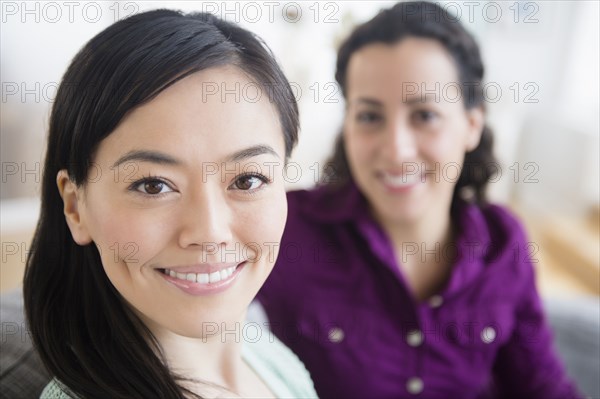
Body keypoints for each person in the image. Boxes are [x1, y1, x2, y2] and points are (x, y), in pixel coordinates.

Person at [257, 2, 583, 398]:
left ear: (472, 125)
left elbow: (541, 386)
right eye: (370, 116)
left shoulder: (503, 243)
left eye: (425, 115)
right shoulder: (287, 228)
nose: (396, 150)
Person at [23, 9, 317, 399]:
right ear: (76, 208)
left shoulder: (270, 358)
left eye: (248, 180)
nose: (210, 231)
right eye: (153, 186)